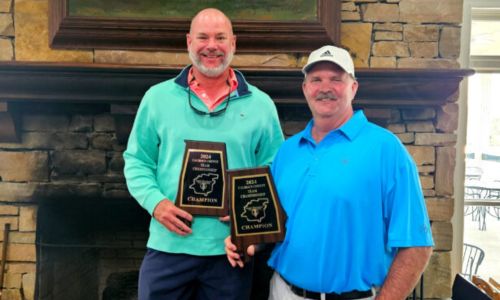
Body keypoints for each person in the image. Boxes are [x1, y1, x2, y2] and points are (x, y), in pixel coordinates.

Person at [225, 45, 434, 300]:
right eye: (316, 80)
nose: (325, 87)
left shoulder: (387, 150)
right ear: (305, 89)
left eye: (336, 79)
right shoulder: (287, 152)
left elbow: (417, 245)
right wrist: (249, 241)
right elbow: (274, 226)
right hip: (282, 292)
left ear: (353, 87)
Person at [123, 8, 284, 300]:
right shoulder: (156, 99)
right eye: (203, 37)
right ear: (188, 42)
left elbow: (275, 169)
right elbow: (137, 161)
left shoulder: (262, 105)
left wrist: (246, 222)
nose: (212, 45)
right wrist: (156, 204)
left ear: (233, 43)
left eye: (220, 37)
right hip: (167, 247)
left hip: (230, 251)